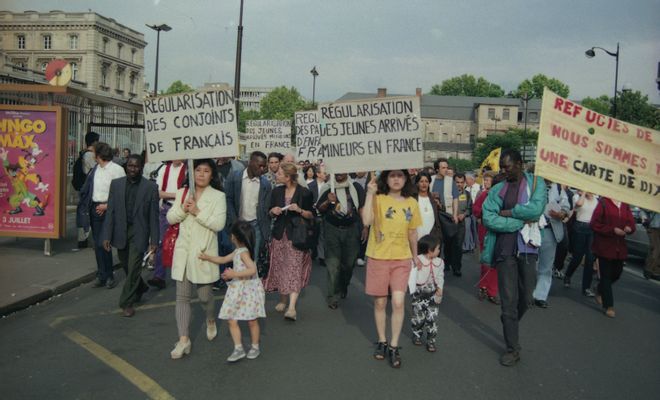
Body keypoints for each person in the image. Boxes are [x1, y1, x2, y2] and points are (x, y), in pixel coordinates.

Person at [481, 149, 547, 366]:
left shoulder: (537, 184)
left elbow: (536, 211)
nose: (503, 170)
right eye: (501, 167)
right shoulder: (498, 189)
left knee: (527, 298)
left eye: (507, 166)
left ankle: (509, 321)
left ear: (520, 163)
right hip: (505, 249)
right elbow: (489, 217)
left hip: (528, 249)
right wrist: (516, 222)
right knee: (508, 301)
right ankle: (513, 348)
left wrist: (509, 212)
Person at [362, 169, 422, 369]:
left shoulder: (412, 203)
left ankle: (394, 345)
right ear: (386, 179)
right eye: (392, 175)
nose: (396, 179)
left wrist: (415, 256)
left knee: (398, 302)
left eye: (400, 176)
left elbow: (412, 232)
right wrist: (370, 194)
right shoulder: (377, 198)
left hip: (402, 259)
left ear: (406, 179)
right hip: (378, 257)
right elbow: (366, 221)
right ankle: (382, 341)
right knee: (380, 303)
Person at [167, 159, 226, 359]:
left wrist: (197, 212)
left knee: (204, 297)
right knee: (182, 297)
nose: (201, 174)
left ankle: (210, 318)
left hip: (204, 254)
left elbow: (219, 224)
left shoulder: (218, 196)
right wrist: (183, 208)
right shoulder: (183, 193)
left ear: (212, 175)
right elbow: (170, 218)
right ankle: (183, 340)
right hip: (183, 253)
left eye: (205, 171)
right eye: (197, 170)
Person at [200, 221, 266, 362]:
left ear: (235, 237)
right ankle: (238, 348)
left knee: (252, 320)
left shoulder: (243, 253)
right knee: (232, 318)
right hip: (238, 289)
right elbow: (223, 259)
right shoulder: (237, 251)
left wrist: (233, 274)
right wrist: (208, 257)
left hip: (247, 289)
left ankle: (255, 346)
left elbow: (252, 270)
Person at [102, 155, 159, 317]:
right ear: (126, 166)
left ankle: (126, 302)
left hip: (139, 232)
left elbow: (153, 217)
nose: (133, 169)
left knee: (134, 266)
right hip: (120, 231)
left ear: (142, 168)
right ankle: (141, 287)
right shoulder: (116, 184)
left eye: (137, 166)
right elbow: (111, 212)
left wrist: (154, 241)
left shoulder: (150, 187)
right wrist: (106, 235)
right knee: (127, 266)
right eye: (130, 166)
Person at [263, 162, 314, 321]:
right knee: (280, 266)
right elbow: (269, 211)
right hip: (279, 235)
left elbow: (311, 215)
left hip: (296, 236)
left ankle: (291, 307)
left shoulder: (304, 192)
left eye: (278, 173)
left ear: (288, 176)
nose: (275, 175)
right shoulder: (276, 191)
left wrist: (298, 210)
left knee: (293, 268)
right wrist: (273, 211)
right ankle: (283, 299)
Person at [80, 142, 126, 289]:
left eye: (94, 153)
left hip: (108, 209)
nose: (93, 155)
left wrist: (107, 206)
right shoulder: (96, 169)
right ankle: (101, 274)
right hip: (94, 208)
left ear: (99, 155)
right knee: (97, 245)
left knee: (104, 243)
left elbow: (122, 193)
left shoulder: (116, 170)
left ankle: (109, 275)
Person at [316, 172, 365, 309]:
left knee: (348, 264)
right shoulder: (328, 187)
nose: (339, 174)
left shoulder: (355, 187)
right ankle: (333, 296)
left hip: (352, 229)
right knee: (333, 265)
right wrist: (328, 201)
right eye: (336, 172)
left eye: (341, 171)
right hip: (332, 229)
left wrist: (365, 227)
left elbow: (361, 208)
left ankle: (343, 285)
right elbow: (319, 208)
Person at [590, 197, 635, 318]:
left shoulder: (625, 204)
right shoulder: (604, 202)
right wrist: (612, 229)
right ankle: (608, 306)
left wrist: (629, 228)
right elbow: (594, 223)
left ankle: (599, 289)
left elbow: (631, 222)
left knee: (617, 273)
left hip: (620, 248)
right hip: (604, 246)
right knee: (606, 276)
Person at [224, 151, 271, 263]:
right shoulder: (235, 176)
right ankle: (238, 279)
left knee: (252, 258)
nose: (262, 169)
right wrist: (234, 220)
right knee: (236, 258)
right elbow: (228, 199)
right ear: (250, 162)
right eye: (259, 165)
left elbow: (266, 208)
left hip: (255, 226)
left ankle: (251, 280)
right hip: (237, 223)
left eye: (264, 166)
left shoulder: (265, 184)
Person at [149, 159, 186, 290]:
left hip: (182, 210)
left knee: (182, 243)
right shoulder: (164, 169)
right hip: (166, 208)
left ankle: (183, 274)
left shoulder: (188, 169)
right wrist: (178, 194)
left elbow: (189, 194)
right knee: (161, 242)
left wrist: (172, 195)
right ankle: (159, 276)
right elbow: (158, 192)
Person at [532, 181, 570, 308]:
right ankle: (526, 290)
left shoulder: (558, 188)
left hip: (550, 230)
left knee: (546, 264)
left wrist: (561, 214)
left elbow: (566, 207)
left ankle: (540, 296)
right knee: (528, 261)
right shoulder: (532, 182)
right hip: (532, 228)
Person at [409, 234, 444, 353]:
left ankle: (431, 341)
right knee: (418, 317)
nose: (439, 250)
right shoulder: (417, 260)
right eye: (438, 248)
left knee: (432, 318)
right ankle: (417, 334)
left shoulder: (440, 262)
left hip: (433, 294)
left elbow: (440, 276)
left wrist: (440, 287)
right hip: (419, 294)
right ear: (430, 250)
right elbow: (411, 276)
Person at [563, 191, 599, 296]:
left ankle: (586, 287)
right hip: (579, 227)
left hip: (592, 228)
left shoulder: (597, 200)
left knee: (590, 258)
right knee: (577, 257)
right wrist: (583, 193)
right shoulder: (577, 197)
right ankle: (568, 275)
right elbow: (578, 205)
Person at [472, 171, 499, 304]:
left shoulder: (500, 195)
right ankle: (483, 286)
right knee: (486, 260)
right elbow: (475, 209)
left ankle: (492, 291)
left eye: (489, 180)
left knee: (496, 262)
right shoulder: (484, 194)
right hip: (485, 230)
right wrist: (484, 214)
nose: (486, 182)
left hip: (498, 230)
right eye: (485, 180)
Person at [430, 158, 459, 272]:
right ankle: (434, 263)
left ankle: (447, 263)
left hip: (447, 214)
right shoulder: (430, 180)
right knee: (436, 240)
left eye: (447, 167)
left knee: (448, 239)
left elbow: (455, 198)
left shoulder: (450, 181)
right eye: (443, 168)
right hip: (433, 215)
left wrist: (455, 214)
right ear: (437, 169)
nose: (446, 170)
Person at [75, 131, 99, 249]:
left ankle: (83, 237)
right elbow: (97, 169)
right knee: (86, 212)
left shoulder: (83, 153)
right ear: (94, 142)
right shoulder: (90, 155)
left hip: (83, 186)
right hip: (88, 187)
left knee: (83, 211)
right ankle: (84, 238)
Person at [413, 172, 443, 240]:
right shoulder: (412, 199)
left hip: (432, 235)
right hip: (417, 235)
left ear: (429, 183)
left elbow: (440, 213)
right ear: (417, 183)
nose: (424, 184)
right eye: (421, 181)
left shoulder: (434, 198)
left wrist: (440, 206)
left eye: (426, 181)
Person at [454, 173, 474, 272]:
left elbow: (470, 209)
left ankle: (457, 268)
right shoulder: (449, 193)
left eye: (461, 182)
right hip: (450, 222)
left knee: (458, 245)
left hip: (461, 223)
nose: (459, 184)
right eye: (457, 182)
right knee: (449, 245)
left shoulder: (467, 194)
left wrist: (464, 214)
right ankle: (448, 263)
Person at [641, 210, 660, 281]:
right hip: (654, 227)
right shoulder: (655, 199)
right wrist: (644, 218)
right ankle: (648, 269)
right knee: (656, 248)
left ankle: (656, 272)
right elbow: (644, 209)